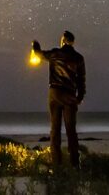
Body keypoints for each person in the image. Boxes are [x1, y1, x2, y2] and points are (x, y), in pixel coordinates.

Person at [32, 30, 85, 168]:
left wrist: (35, 45)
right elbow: (81, 80)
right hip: (70, 95)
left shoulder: (55, 54)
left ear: (63, 41)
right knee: (71, 130)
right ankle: (75, 164)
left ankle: (56, 164)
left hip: (55, 93)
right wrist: (79, 97)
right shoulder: (78, 58)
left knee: (55, 130)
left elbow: (39, 54)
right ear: (72, 42)